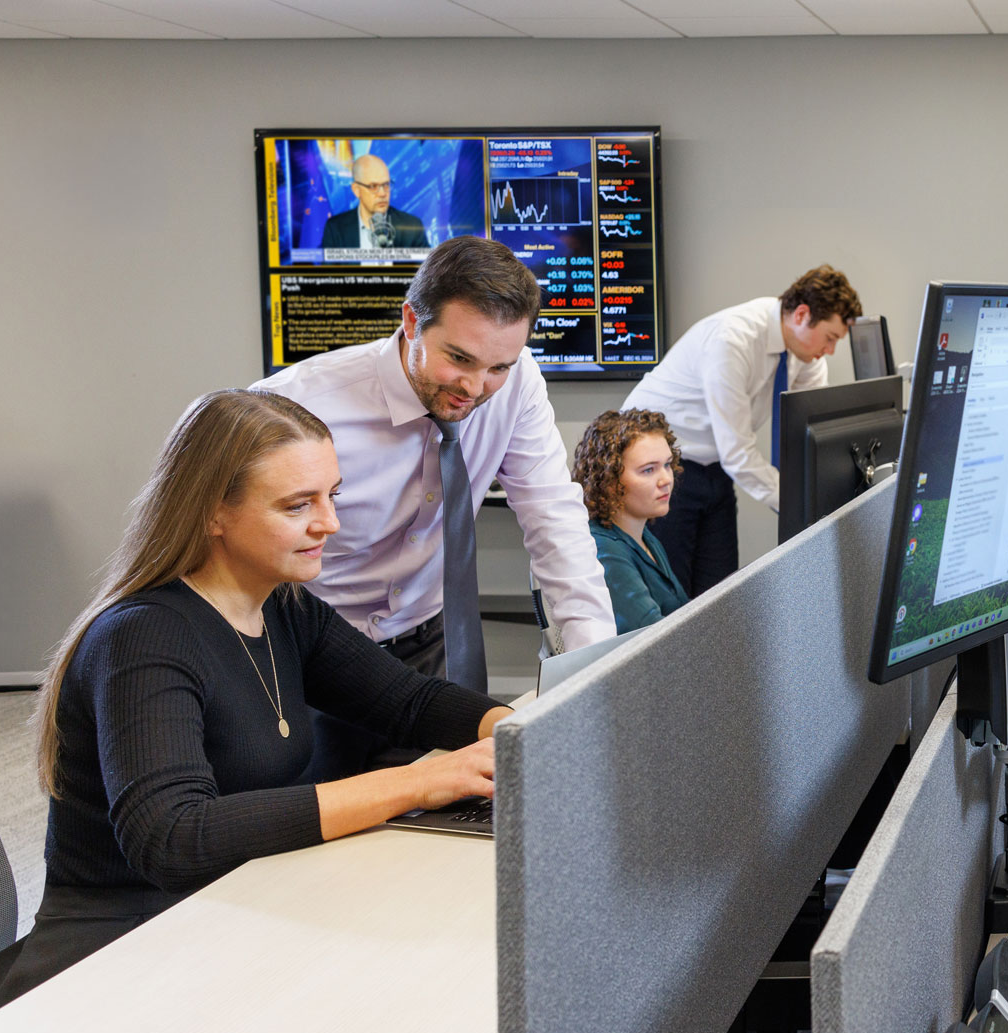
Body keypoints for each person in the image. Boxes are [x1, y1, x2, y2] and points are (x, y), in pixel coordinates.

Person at [0, 391, 510, 1011]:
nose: (330, 523)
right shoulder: (141, 638)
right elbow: (174, 839)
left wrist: (519, 730)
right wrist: (416, 783)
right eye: (298, 506)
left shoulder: (284, 609)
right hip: (121, 953)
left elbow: (410, 702)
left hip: (236, 908)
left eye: (331, 495)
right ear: (214, 513)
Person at [256, 236, 615, 712]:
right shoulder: (292, 405)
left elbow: (554, 520)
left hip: (428, 643)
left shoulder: (519, 381)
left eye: (497, 367)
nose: (474, 387)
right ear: (411, 322)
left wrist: (594, 665)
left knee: (457, 781)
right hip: (309, 649)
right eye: (460, 358)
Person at [622, 265, 863, 597]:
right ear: (802, 314)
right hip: (662, 466)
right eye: (831, 338)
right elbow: (738, 452)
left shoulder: (806, 355)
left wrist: (826, 490)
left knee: (719, 594)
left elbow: (813, 430)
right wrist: (802, 506)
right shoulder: (733, 339)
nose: (831, 350)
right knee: (673, 598)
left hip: (714, 464)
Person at [573, 409, 689, 634]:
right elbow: (651, 640)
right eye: (648, 470)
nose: (666, 479)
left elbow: (681, 614)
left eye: (667, 464)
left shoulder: (644, 536)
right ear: (609, 480)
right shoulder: (605, 550)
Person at [318, 153, 429, 250]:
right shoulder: (335, 229)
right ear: (356, 190)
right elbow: (328, 273)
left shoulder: (412, 226)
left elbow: (427, 272)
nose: (382, 193)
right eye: (373, 186)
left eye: (386, 185)